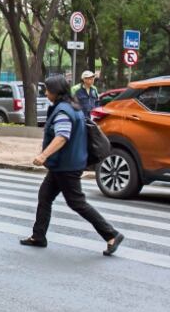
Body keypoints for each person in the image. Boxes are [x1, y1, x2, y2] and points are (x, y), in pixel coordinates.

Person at [20, 75, 124, 256]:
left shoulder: (63, 111)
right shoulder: (73, 106)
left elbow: (62, 136)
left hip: (66, 166)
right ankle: (38, 236)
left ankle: (111, 234)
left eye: (48, 90)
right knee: (45, 196)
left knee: (77, 203)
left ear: (56, 92)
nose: (46, 93)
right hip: (64, 164)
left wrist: (43, 155)